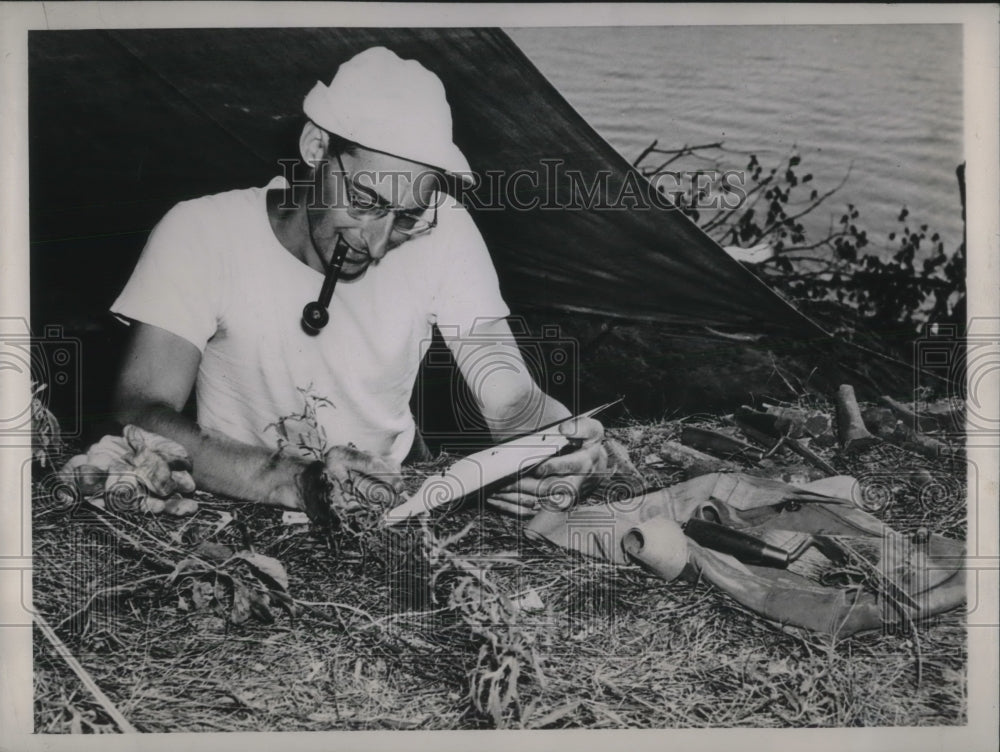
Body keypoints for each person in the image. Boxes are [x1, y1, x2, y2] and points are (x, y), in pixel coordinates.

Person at [110, 46, 607, 517]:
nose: (376, 242)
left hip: (393, 499)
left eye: (408, 217)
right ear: (316, 147)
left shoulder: (447, 230)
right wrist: (294, 480)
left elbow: (510, 398)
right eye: (366, 202)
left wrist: (560, 444)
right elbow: (138, 410)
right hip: (241, 500)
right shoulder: (203, 231)